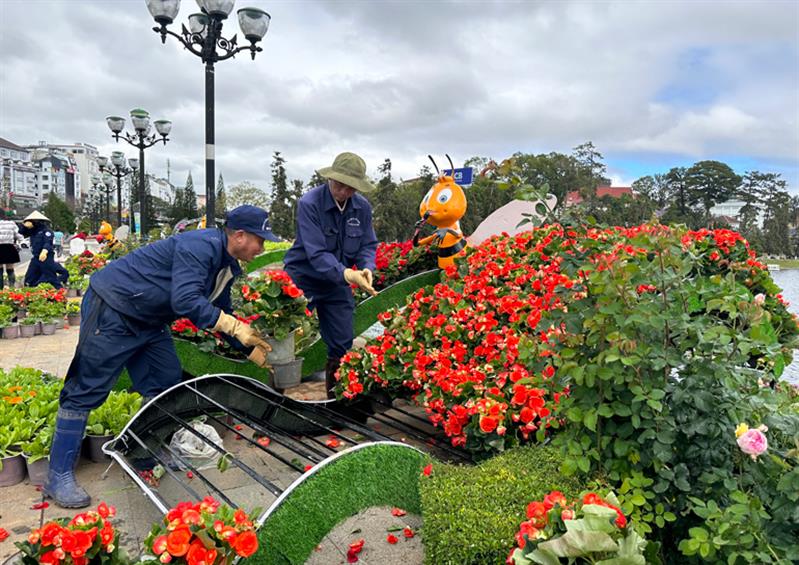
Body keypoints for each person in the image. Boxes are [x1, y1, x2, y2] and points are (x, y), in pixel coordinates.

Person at [45, 205, 279, 508]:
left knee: (165, 382)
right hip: (114, 307)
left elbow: (217, 312)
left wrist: (249, 348)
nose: (262, 247)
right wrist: (233, 325)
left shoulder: (226, 265)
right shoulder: (201, 246)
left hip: (148, 319)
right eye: (260, 240)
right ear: (239, 235)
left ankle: (143, 454)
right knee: (86, 388)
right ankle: (57, 475)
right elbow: (185, 299)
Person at [284, 152, 379, 398]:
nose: (343, 192)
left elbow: (368, 244)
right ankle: (274, 394)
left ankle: (337, 399)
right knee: (283, 336)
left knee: (342, 339)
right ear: (330, 179)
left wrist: (367, 266)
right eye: (339, 185)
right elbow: (316, 254)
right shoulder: (310, 203)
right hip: (302, 278)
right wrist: (348, 273)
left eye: (351, 188)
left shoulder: (362, 208)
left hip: (336, 282)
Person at [18, 211, 69, 289]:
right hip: (36, 257)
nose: (32, 222)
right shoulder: (33, 231)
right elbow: (21, 232)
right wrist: (24, 225)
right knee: (29, 278)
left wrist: (44, 251)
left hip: (46, 257)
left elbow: (48, 242)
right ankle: (31, 294)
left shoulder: (46, 231)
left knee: (51, 277)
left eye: (33, 221)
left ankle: (60, 293)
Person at [0, 210, 23, 289]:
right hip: (9, 247)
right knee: (10, 269)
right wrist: (20, 242)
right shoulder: (11, 223)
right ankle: (12, 287)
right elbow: (18, 235)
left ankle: (0, 289)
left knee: (0, 270)